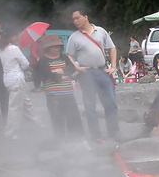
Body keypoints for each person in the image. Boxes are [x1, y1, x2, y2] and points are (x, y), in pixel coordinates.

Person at [66, 8, 119, 142]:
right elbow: (69, 55)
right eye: (73, 19)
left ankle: (113, 133)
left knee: (111, 103)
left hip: (102, 70)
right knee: (90, 106)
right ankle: (97, 136)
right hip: (87, 74)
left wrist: (113, 66)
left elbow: (112, 48)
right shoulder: (74, 37)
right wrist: (77, 67)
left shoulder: (100, 31)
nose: (75, 21)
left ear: (86, 17)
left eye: (77, 18)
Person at [37, 33, 84, 143]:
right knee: (57, 118)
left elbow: (72, 69)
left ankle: (76, 139)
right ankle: (60, 140)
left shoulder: (64, 57)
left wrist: (60, 72)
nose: (56, 49)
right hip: (54, 95)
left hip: (68, 92)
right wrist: (64, 74)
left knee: (73, 117)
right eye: (54, 46)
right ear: (48, 48)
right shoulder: (43, 60)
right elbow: (48, 75)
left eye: (58, 46)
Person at [0, 27, 43, 140]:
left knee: (26, 103)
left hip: (8, 79)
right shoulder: (14, 48)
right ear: (11, 36)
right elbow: (25, 64)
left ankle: (36, 123)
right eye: (14, 35)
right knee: (14, 107)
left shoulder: (1, 48)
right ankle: (10, 133)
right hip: (16, 79)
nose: (16, 37)